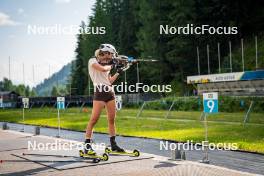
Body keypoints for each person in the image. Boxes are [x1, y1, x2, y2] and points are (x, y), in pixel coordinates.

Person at [84, 44, 125, 155]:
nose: (111, 57)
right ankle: (87, 146)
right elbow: (102, 69)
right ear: (105, 52)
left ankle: (113, 144)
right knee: (94, 120)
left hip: (110, 92)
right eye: (110, 54)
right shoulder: (92, 61)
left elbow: (109, 81)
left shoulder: (108, 64)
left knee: (111, 120)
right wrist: (112, 66)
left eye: (112, 55)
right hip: (100, 92)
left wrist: (118, 72)